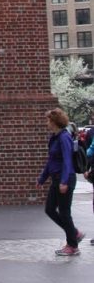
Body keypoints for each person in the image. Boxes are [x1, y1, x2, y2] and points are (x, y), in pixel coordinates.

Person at [37, 107, 83, 256]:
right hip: (57, 179)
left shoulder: (64, 137)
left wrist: (64, 181)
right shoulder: (54, 137)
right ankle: (74, 233)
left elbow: (67, 161)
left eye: (48, 120)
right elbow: (51, 161)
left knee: (64, 212)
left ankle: (73, 246)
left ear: (54, 121)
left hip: (66, 179)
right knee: (50, 209)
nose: (46, 123)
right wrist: (42, 178)